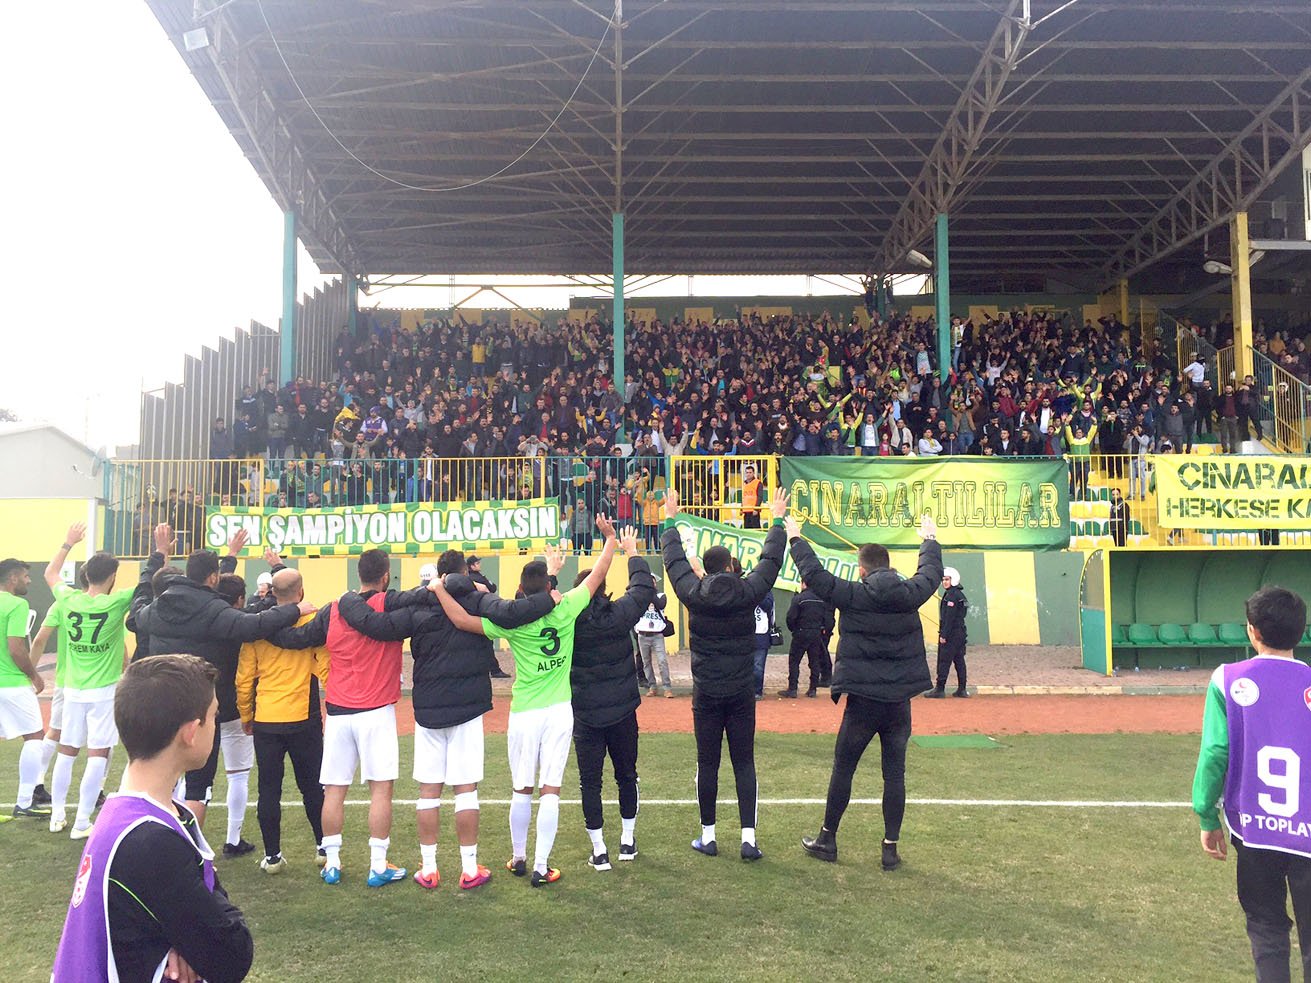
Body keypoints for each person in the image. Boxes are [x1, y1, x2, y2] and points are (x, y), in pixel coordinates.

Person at [335, 549, 555, 891]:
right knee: (465, 790)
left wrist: (347, 600)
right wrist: (551, 590)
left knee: (428, 790)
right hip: (466, 708)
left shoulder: (418, 606)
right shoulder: (477, 600)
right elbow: (514, 613)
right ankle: (469, 868)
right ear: (465, 573)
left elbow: (374, 624)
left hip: (428, 708)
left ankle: (429, 868)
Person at [427, 517, 619, 887]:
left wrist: (438, 590)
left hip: (525, 711)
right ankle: (541, 866)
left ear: (520, 590)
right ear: (551, 587)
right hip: (559, 710)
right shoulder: (567, 607)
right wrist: (609, 538)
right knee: (551, 790)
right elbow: (598, 573)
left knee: (522, 788)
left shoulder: (512, 621)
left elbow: (463, 620)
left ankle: (518, 856)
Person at [51, 655, 254, 983]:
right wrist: (194, 944)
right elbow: (233, 954)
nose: (215, 726)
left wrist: (183, 945)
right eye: (214, 716)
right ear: (191, 732)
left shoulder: (133, 813)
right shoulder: (149, 841)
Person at [133, 527, 311, 852]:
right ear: (213, 577)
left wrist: (157, 556)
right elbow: (249, 623)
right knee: (199, 786)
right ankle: (186, 853)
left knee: (163, 776)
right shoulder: (213, 611)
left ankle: (154, 843)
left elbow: (140, 604)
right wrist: (293, 609)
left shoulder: (157, 607)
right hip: (201, 705)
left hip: (160, 702)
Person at [789, 512, 942, 870]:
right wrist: (929, 539)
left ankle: (828, 838)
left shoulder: (853, 594)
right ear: (890, 567)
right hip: (898, 703)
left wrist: (795, 536)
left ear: (862, 569)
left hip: (862, 702)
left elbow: (815, 575)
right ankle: (890, 849)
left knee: (844, 768)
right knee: (895, 775)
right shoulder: (910, 593)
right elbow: (931, 574)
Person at [270, 549, 411, 887]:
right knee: (381, 789)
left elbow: (297, 639)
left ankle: (332, 863)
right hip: (376, 711)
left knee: (334, 790)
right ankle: (378, 865)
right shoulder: (389, 605)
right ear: (385, 576)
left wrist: (269, 623)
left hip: (337, 711)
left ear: (358, 574)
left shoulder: (332, 610)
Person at [661, 487, 788, 861]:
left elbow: (673, 562)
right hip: (740, 691)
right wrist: (777, 519)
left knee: (708, 763)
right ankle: (748, 839)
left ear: (706, 566)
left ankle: (708, 835)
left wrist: (670, 519)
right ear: (731, 564)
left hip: (707, 693)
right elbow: (770, 560)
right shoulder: (749, 591)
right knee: (744, 762)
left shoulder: (694, 594)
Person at [1193, 586, 1311, 983]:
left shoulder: (1227, 679)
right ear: (1301, 631)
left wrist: (1206, 814)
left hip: (1255, 831)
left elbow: (1215, 753)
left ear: (1252, 631)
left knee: (1266, 931)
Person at [569, 527, 655, 870]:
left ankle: (600, 850)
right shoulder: (619, 615)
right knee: (626, 775)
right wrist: (632, 551)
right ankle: (627, 841)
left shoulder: (569, 621)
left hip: (586, 714)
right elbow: (643, 587)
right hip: (622, 711)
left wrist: (549, 569)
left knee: (590, 782)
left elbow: (532, 603)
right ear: (604, 587)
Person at [235, 568, 329, 875]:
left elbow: (244, 679)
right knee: (313, 787)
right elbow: (325, 670)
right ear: (300, 593)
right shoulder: (311, 624)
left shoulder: (257, 629)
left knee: (269, 789)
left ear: (273, 594)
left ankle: (273, 857)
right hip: (304, 717)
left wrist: (247, 715)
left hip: (266, 719)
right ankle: (323, 848)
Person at [41, 535, 135, 838]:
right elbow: (150, 585)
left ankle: (57, 816)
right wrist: (161, 552)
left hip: (73, 690)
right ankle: (82, 821)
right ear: (111, 577)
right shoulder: (117, 601)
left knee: (66, 752)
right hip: (104, 691)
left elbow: (50, 574)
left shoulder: (68, 599)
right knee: (98, 754)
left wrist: (67, 543)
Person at [0, 556, 50, 819]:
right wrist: (34, 675)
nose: (28, 580)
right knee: (34, 736)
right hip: (12, 685)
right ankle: (24, 802)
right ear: (12, 578)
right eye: (25, 576)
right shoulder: (17, 604)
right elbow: (16, 648)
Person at [778, 580, 834, 699]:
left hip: (801, 632)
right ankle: (812, 689)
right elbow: (826, 618)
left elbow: (790, 617)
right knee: (814, 661)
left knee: (794, 661)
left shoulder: (799, 599)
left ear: (803, 584)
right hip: (815, 633)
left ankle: (793, 689)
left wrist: (794, 629)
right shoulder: (820, 600)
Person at [926, 567, 968, 699]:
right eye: (943, 580)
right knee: (959, 660)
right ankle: (962, 689)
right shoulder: (960, 595)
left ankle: (940, 688)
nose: (944, 582)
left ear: (953, 580)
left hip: (951, 634)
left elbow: (949, 618)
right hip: (960, 633)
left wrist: (944, 635)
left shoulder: (951, 596)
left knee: (944, 661)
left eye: (947, 579)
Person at [467, 555, 511, 679]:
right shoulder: (478, 578)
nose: (479, 564)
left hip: (471, 614)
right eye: (477, 563)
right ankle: (494, 670)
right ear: (472, 566)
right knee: (486, 644)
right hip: (481, 614)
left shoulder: (467, 579)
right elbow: (492, 587)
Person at [634, 585, 673, 698]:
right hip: (643, 634)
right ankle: (652, 686)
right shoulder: (639, 597)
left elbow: (660, 604)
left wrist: (650, 592)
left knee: (662, 661)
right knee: (646, 662)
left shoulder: (661, 596)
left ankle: (667, 687)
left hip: (657, 635)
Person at [740, 464, 764, 530]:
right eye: (747, 472)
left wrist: (756, 508)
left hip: (753, 510)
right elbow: (744, 496)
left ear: (753, 473)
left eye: (750, 472)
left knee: (756, 529)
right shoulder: (744, 483)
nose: (748, 474)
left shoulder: (758, 483)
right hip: (746, 510)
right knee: (747, 529)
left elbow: (760, 496)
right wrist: (741, 508)